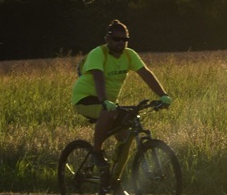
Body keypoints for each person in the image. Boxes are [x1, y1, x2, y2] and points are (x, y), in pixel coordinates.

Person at [71, 20, 172, 158]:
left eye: (124, 39)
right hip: (85, 98)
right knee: (108, 113)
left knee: (125, 138)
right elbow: (98, 77)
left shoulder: (129, 54)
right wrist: (104, 100)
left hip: (109, 102)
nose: (121, 42)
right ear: (107, 39)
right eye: (116, 39)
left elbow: (146, 74)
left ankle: (113, 175)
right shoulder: (99, 53)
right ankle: (96, 152)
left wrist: (163, 95)